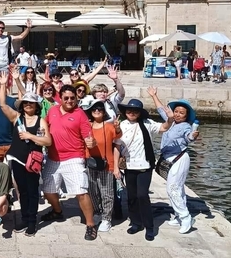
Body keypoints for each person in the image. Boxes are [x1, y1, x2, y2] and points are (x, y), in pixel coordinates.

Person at [41, 85, 98, 241]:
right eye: (66, 98)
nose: (69, 101)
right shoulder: (52, 110)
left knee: (81, 191)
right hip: (53, 158)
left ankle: (91, 224)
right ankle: (57, 211)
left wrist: (91, 142)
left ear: (76, 98)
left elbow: (89, 138)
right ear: (60, 97)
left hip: (74, 157)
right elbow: (44, 126)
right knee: (47, 190)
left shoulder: (80, 115)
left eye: (72, 98)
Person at [0, 74, 51, 236]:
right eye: (26, 103)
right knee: (22, 191)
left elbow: (47, 141)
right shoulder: (16, 118)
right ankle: (24, 217)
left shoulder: (40, 121)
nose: (28, 105)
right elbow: (2, 106)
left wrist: (31, 136)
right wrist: (2, 85)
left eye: (31, 103)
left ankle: (32, 221)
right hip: (17, 160)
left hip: (33, 161)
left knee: (33, 191)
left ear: (36, 106)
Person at [115, 98, 174, 241]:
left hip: (144, 166)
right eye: (129, 110)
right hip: (129, 166)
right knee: (132, 197)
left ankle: (149, 226)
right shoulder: (121, 125)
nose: (131, 113)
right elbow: (117, 147)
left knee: (142, 195)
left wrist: (170, 119)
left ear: (139, 113)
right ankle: (136, 222)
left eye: (135, 111)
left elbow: (164, 127)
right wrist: (116, 167)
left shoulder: (147, 124)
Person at [147, 87, 199, 235]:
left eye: (181, 113)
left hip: (179, 159)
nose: (177, 114)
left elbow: (189, 137)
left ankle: (186, 217)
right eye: (176, 111)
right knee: (178, 189)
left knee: (173, 189)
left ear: (186, 115)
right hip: (168, 158)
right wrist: (154, 95)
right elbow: (161, 109)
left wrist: (193, 137)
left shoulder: (185, 126)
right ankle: (178, 216)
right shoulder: (170, 121)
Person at [80, 96, 122, 232]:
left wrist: (117, 128)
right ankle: (97, 212)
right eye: (94, 109)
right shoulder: (87, 126)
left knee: (107, 193)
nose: (97, 111)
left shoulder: (109, 126)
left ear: (104, 112)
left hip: (106, 164)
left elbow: (118, 137)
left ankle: (107, 218)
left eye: (100, 109)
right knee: (92, 191)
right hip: (90, 163)